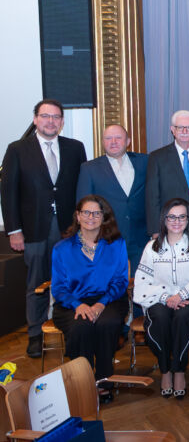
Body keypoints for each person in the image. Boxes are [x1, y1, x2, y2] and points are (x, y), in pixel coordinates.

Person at [1, 99, 87, 358]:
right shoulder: (17, 149)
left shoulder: (75, 148)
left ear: (61, 121)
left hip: (68, 229)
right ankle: (35, 334)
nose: (51, 121)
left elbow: (82, 190)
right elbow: (8, 193)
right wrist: (14, 230)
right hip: (33, 229)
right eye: (45, 116)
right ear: (36, 119)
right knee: (36, 284)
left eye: (56, 117)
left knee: (72, 281)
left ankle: (73, 330)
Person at [50, 194, 130, 404]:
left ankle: (103, 380)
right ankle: (81, 383)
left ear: (104, 217)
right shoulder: (62, 248)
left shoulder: (117, 244)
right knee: (81, 327)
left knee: (108, 322)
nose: (91, 217)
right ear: (77, 216)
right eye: (86, 212)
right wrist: (79, 305)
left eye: (96, 213)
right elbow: (58, 288)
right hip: (71, 302)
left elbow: (121, 281)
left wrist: (101, 303)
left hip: (110, 299)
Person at [133, 198, 189, 399]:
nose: (176, 221)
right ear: (164, 219)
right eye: (172, 217)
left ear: (188, 220)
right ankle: (165, 370)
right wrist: (166, 297)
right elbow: (142, 281)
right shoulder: (152, 247)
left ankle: (178, 370)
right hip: (159, 299)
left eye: (181, 217)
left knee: (181, 318)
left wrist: (182, 295)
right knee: (159, 318)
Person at [76, 124, 148, 270]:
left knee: (139, 287)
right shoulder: (89, 168)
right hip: (106, 240)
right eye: (108, 138)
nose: (113, 142)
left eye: (118, 138)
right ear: (103, 142)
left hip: (141, 240)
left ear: (128, 141)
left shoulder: (145, 162)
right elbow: (83, 207)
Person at [145, 110, 189, 236]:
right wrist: (155, 231)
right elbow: (152, 197)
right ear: (172, 130)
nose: (185, 131)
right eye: (180, 127)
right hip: (171, 226)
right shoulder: (157, 157)